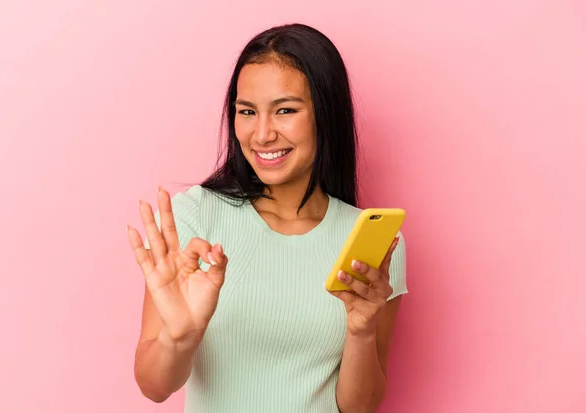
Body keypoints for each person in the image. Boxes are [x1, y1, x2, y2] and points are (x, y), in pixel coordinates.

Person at [127, 22, 407, 413]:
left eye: (285, 110)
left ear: (325, 115)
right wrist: (181, 336)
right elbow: (154, 387)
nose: (261, 134)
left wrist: (361, 330)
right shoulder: (195, 217)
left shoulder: (368, 242)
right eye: (247, 112)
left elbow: (360, 407)